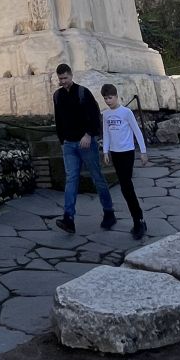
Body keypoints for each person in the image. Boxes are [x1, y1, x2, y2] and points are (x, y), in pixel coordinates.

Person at [52, 63, 117, 234]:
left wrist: (89, 134)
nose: (63, 81)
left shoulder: (83, 92)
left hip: (86, 143)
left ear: (71, 76)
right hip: (69, 144)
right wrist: (62, 140)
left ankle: (109, 212)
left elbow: (95, 114)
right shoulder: (57, 96)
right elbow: (58, 119)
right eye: (60, 79)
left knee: (97, 177)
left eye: (65, 78)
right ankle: (69, 218)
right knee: (71, 179)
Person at [101, 84, 149, 240]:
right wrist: (105, 151)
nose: (108, 101)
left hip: (127, 152)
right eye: (105, 98)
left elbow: (137, 131)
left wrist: (143, 152)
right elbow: (106, 133)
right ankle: (138, 219)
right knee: (124, 187)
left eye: (110, 97)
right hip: (115, 153)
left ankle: (139, 220)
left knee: (127, 187)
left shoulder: (126, 112)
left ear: (116, 96)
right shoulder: (106, 115)